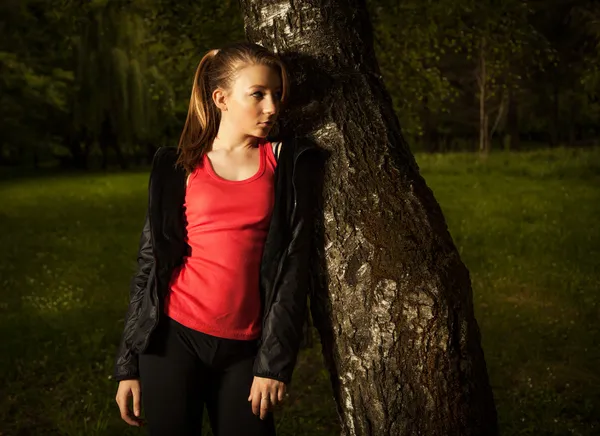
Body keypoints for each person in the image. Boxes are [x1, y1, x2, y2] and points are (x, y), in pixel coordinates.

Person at [112, 41, 319, 436]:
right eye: (257, 95)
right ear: (221, 98)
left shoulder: (286, 164)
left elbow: (294, 269)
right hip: (173, 339)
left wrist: (272, 365)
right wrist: (129, 364)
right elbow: (150, 266)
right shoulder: (179, 168)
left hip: (245, 349)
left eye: (276, 95)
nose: (272, 107)